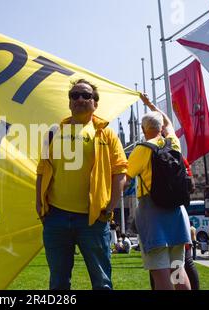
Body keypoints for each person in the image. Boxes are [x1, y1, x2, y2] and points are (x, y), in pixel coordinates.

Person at [36, 79, 127, 290]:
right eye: (74, 95)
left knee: (102, 282)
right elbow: (42, 170)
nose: (79, 99)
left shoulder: (107, 134)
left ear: (95, 103)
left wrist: (110, 207)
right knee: (58, 283)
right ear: (69, 102)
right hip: (56, 218)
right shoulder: (53, 133)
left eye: (85, 95)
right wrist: (39, 205)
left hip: (93, 219)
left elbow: (120, 172)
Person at [126, 94, 191, 290]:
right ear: (161, 128)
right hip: (176, 214)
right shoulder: (173, 142)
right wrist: (151, 105)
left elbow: (126, 177)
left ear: (143, 129)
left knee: (160, 273)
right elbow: (170, 122)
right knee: (178, 270)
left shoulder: (142, 149)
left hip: (152, 216)